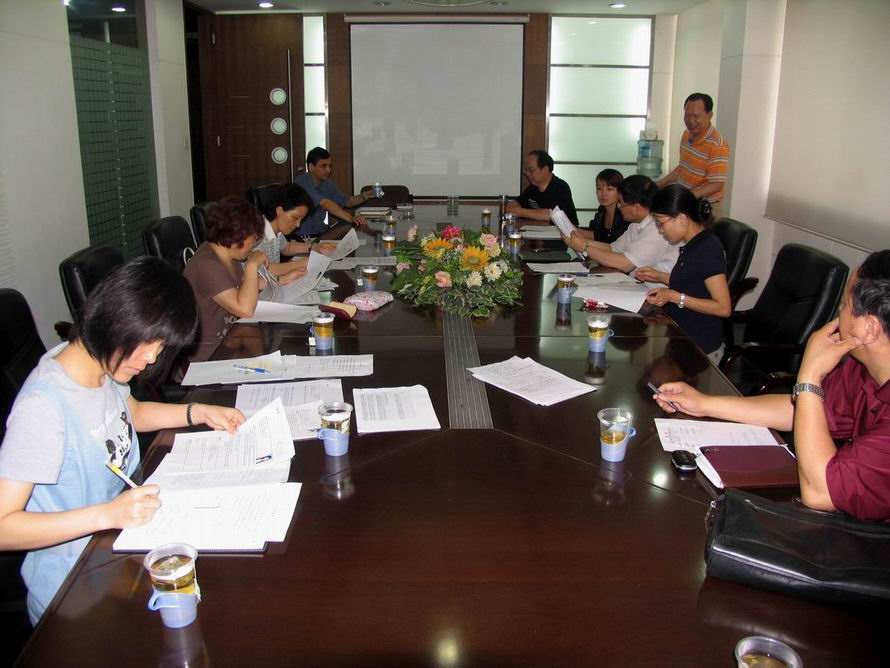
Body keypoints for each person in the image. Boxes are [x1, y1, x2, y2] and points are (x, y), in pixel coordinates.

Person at [0, 257, 245, 623]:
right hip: (74, 591)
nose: (151, 359)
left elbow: (133, 412)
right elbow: (3, 526)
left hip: (121, 552)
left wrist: (198, 412)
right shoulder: (44, 407)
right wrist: (108, 514)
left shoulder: (99, 365)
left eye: (160, 348)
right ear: (117, 320)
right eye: (149, 344)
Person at [652, 251, 890, 522]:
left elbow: (821, 494)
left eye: (845, 305)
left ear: (869, 328)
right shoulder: (862, 369)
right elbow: (801, 411)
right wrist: (704, 403)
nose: (838, 312)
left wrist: (809, 376)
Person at [637, 184, 731, 363]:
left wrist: (674, 296)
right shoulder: (692, 243)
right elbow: (694, 282)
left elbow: (723, 307)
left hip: (701, 349)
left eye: (660, 223)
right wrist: (659, 276)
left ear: (681, 218)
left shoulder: (707, 250)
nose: (660, 230)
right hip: (682, 335)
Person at [184, 196, 268, 348]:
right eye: (254, 237)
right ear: (238, 236)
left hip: (231, 336)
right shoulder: (207, 265)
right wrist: (252, 265)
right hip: (210, 351)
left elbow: (245, 287)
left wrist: (278, 281)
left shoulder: (227, 253)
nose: (254, 243)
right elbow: (245, 310)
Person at [564, 175, 678, 276]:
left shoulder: (656, 229)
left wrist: (584, 247)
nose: (618, 206)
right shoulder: (636, 225)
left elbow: (624, 264)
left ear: (636, 208)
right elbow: (612, 249)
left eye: (621, 204)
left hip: (651, 291)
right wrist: (581, 241)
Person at [657, 93, 730, 214]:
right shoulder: (687, 134)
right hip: (686, 201)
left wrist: (686, 196)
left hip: (704, 206)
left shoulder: (717, 145)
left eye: (696, 116)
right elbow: (682, 168)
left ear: (709, 115)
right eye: (687, 115)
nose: (690, 121)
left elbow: (716, 184)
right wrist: (658, 184)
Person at [256, 182, 336, 279]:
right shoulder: (257, 234)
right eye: (295, 217)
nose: (298, 224)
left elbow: (288, 248)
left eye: (301, 219)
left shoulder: (277, 230)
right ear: (279, 211)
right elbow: (262, 270)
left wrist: (315, 247)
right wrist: (300, 264)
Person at [295, 147, 370, 237]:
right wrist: (351, 218)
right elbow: (324, 203)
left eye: (330, 166)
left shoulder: (328, 184)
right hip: (302, 236)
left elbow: (348, 202)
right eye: (323, 166)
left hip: (321, 231)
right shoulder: (302, 182)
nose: (328, 170)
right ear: (311, 167)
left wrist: (366, 195)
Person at [506, 150, 578, 225]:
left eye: (531, 170)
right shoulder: (532, 188)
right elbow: (518, 201)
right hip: (539, 229)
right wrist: (513, 207)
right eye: (525, 170)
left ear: (545, 169)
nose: (527, 174)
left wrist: (520, 212)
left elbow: (552, 214)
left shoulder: (561, 187)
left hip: (565, 231)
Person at [586, 168, 627, 244]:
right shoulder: (601, 211)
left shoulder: (626, 215)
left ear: (620, 191)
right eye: (599, 188)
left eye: (609, 189)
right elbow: (597, 236)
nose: (603, 194)